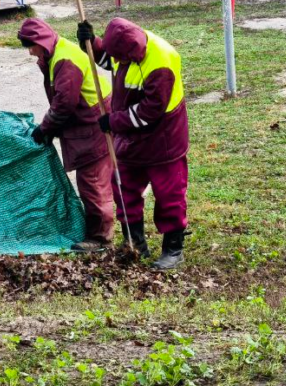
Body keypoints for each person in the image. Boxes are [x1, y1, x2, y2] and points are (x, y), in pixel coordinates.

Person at [78, 17, 189, 270]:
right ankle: (134, 244)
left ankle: (173, 249)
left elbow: (150, 111)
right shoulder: (128, 46)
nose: (116, 61)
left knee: (169, 194)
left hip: (164, 140)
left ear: (131, 52)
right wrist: (92, 44)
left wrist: (113, 121)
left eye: (120, 56)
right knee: (124, 188)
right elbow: (112, 61)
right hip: (131, 138)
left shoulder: (161, 63)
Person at [17, 18, 116, 253]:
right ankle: (102, 228)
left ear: (41, 41)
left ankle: (100, 238)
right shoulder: (56, 52)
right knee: (96, 178)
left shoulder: (65, 60)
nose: (30, 52)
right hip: (90, 117)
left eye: (31, 46)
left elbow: (64, 104)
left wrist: (45, 128)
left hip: (93, 121)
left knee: (92, 180)